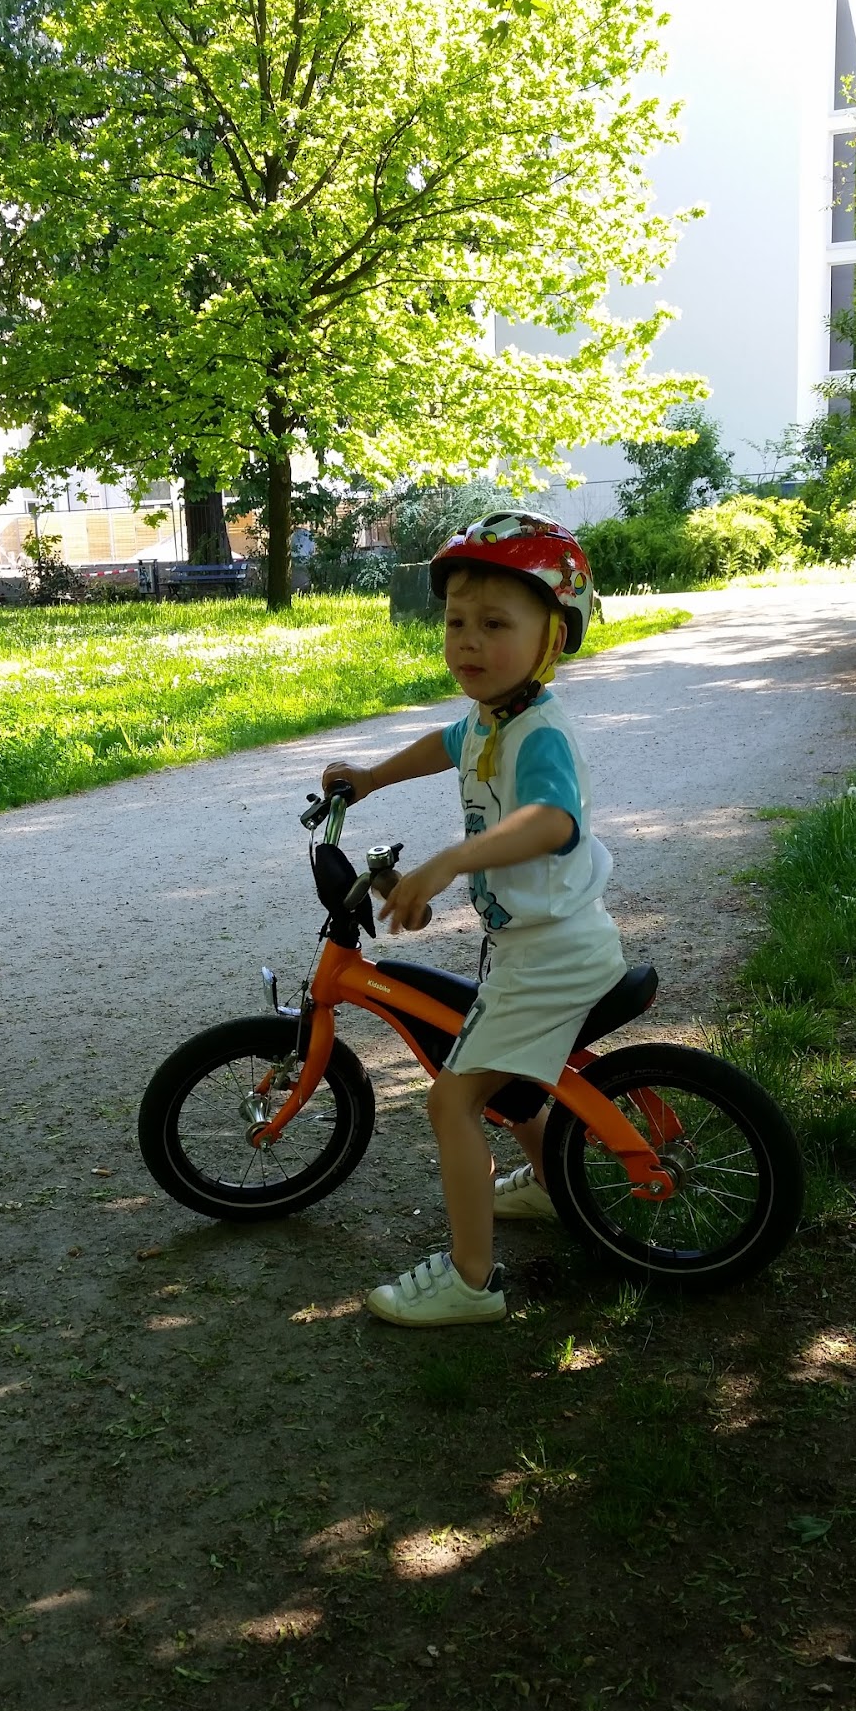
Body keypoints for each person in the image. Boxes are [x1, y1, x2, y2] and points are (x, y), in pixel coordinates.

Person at [321, 510, 626, 1328]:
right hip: (530, 945)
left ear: (553, 637)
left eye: (495, 624)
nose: (469, 641)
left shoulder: (540, 732)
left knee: (451, 1101)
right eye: (457, 622)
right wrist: (371, 778)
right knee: (511, 1080)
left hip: (553, 953)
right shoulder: (493, 717)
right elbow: (444, 742)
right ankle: (554, 1185)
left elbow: (553, 820)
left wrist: (452, 859)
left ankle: (470, 1279)